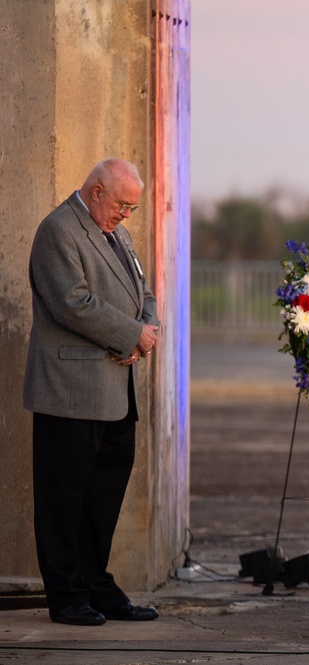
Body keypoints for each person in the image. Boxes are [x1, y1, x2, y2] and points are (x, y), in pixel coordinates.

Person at [23, 158, 160, 626]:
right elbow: (73, 303)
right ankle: (65, 596)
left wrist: (149, 326)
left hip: (116, 392)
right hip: (71, 391)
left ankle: (95, 584)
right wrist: (132, 336)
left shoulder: (117, 232)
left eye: (133, 207)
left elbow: (143, 290)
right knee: (64, 498)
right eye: (123, 204)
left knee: (102, 498)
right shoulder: (59, 230)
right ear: (96, 191)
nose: (127, 214)